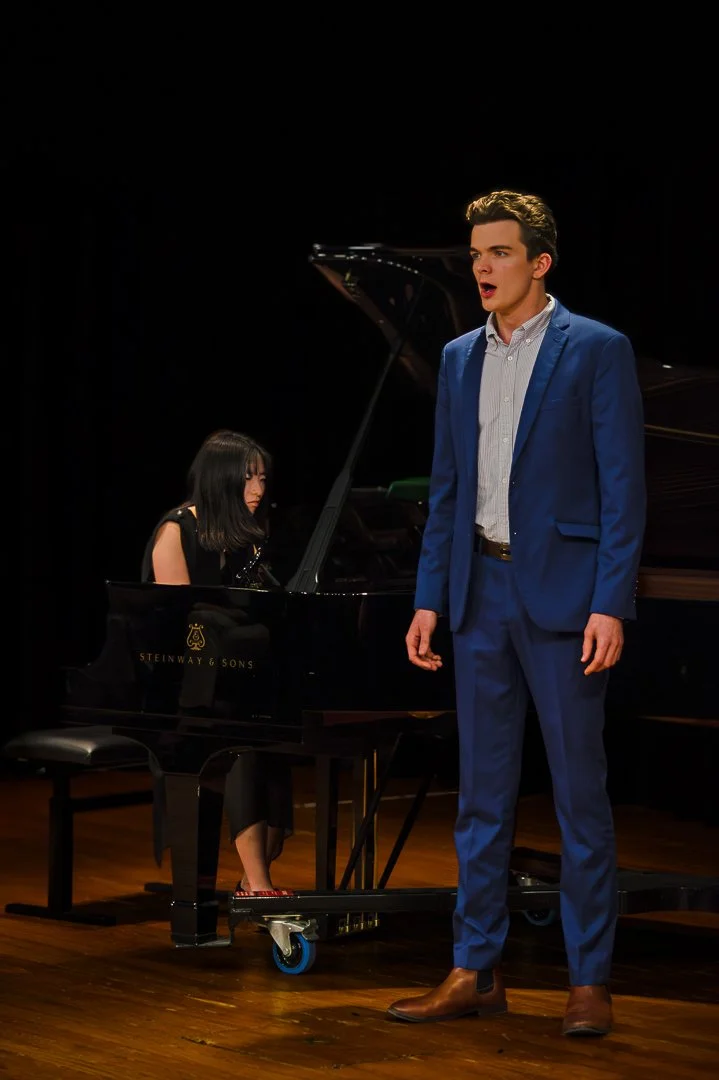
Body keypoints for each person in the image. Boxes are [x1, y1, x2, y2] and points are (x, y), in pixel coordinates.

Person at [386, 191, 646, 1037]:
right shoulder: (460, 357)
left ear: (539, 262)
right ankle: (474, 969)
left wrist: (611, 603)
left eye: (499, 253)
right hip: (478, 596)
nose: (482, 268)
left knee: (578, 798)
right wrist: (430, 597)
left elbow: (622, 492)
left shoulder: (595, 350)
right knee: (481, 799)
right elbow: (448, 487)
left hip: (566, 599)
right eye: (474, 256)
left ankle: (588, 981)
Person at [141, 428, 294, 897]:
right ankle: (259, 885)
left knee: (276, 738)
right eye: (248, 479)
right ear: (219, 480)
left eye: (263, 479)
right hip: (179, 694)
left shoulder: (247, 535)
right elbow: (179, 629)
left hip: (231, 682)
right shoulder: (176, 531)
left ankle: (254, 873)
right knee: (241, 744)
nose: (259, 490)